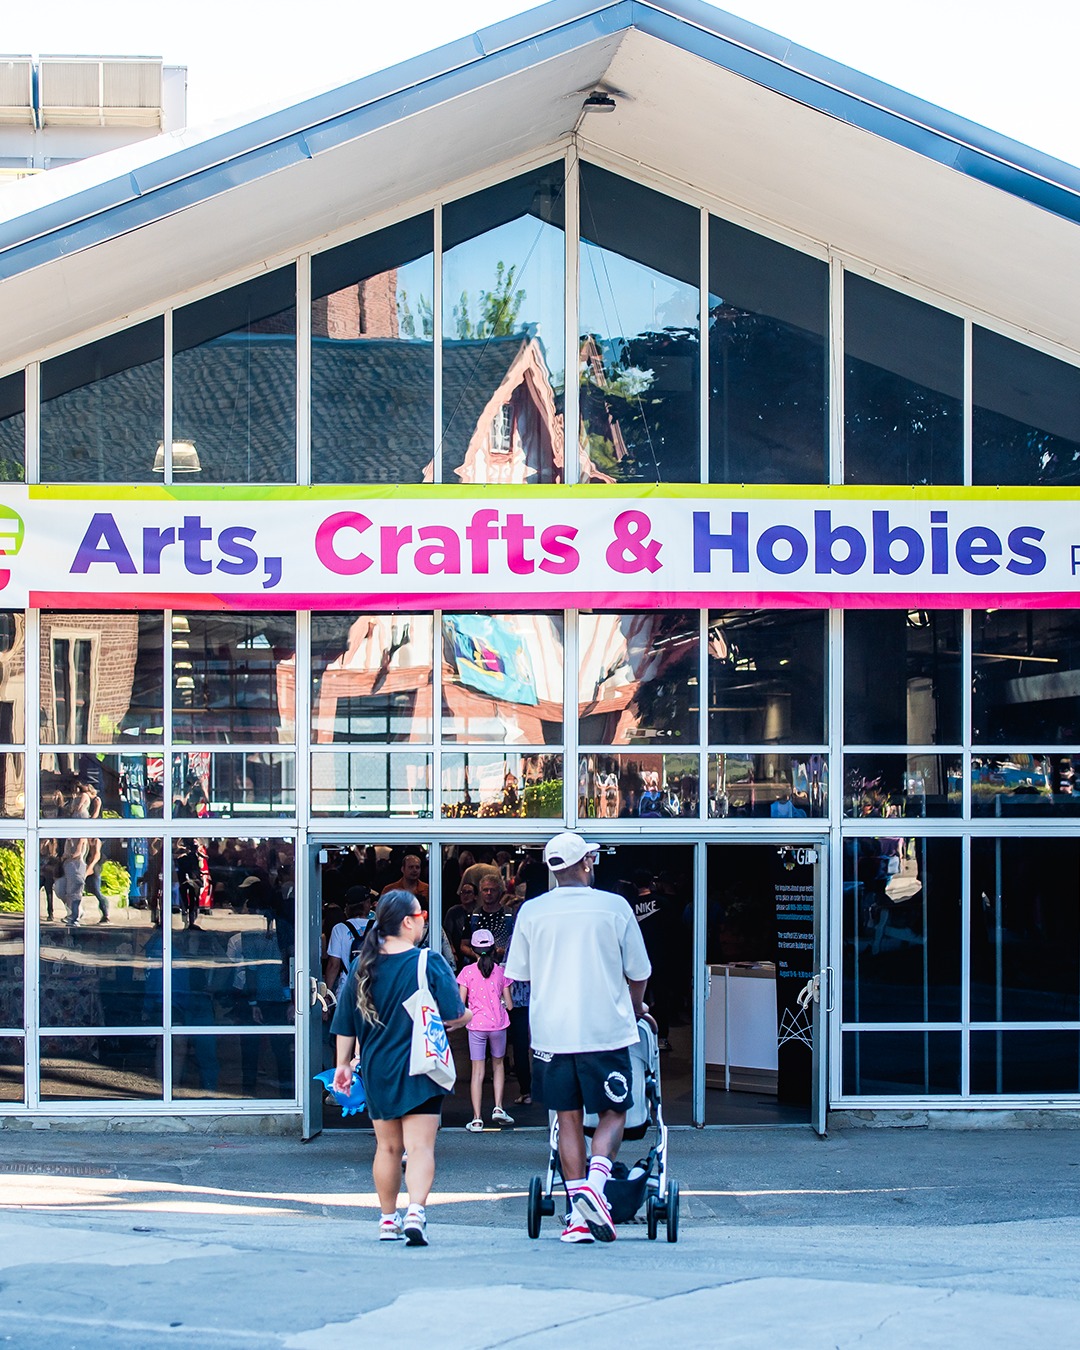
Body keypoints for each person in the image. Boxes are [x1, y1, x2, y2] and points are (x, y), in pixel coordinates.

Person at [504, 831, 651, 1245]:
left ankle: (578, 1219)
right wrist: (635, 1007)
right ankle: (595, 1188)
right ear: (585, 863)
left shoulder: (532, 911)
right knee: (615, 1112)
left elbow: (519, 975)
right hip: (605, 1033)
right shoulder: (614, 907)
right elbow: (639, 972)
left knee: (567, 1118)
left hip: (551, 1035)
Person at [331, 890, 470, 1247]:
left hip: (378, 1070)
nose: (424, 921)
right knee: (420, 1148)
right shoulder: (427, 961)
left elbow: (345, 1023)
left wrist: (342, 1066)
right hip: (421, 1068)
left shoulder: (363, 966)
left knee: (387, 1148)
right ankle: (416, 1213)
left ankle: (387, 1219)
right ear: (408, 922)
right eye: (421, 915)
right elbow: (454, 1014)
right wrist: (467, 1016)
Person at [456, 929, 514, 1132]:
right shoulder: (501, 972)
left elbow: (461, 1005)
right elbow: (510, 1005)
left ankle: (477, 1119)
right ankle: (498, 1107)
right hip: (498, 1025)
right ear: (493, 949)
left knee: (477, 1071)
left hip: (476, 1026)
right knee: (498, 1065)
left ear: (472, 950)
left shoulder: (467, 972)